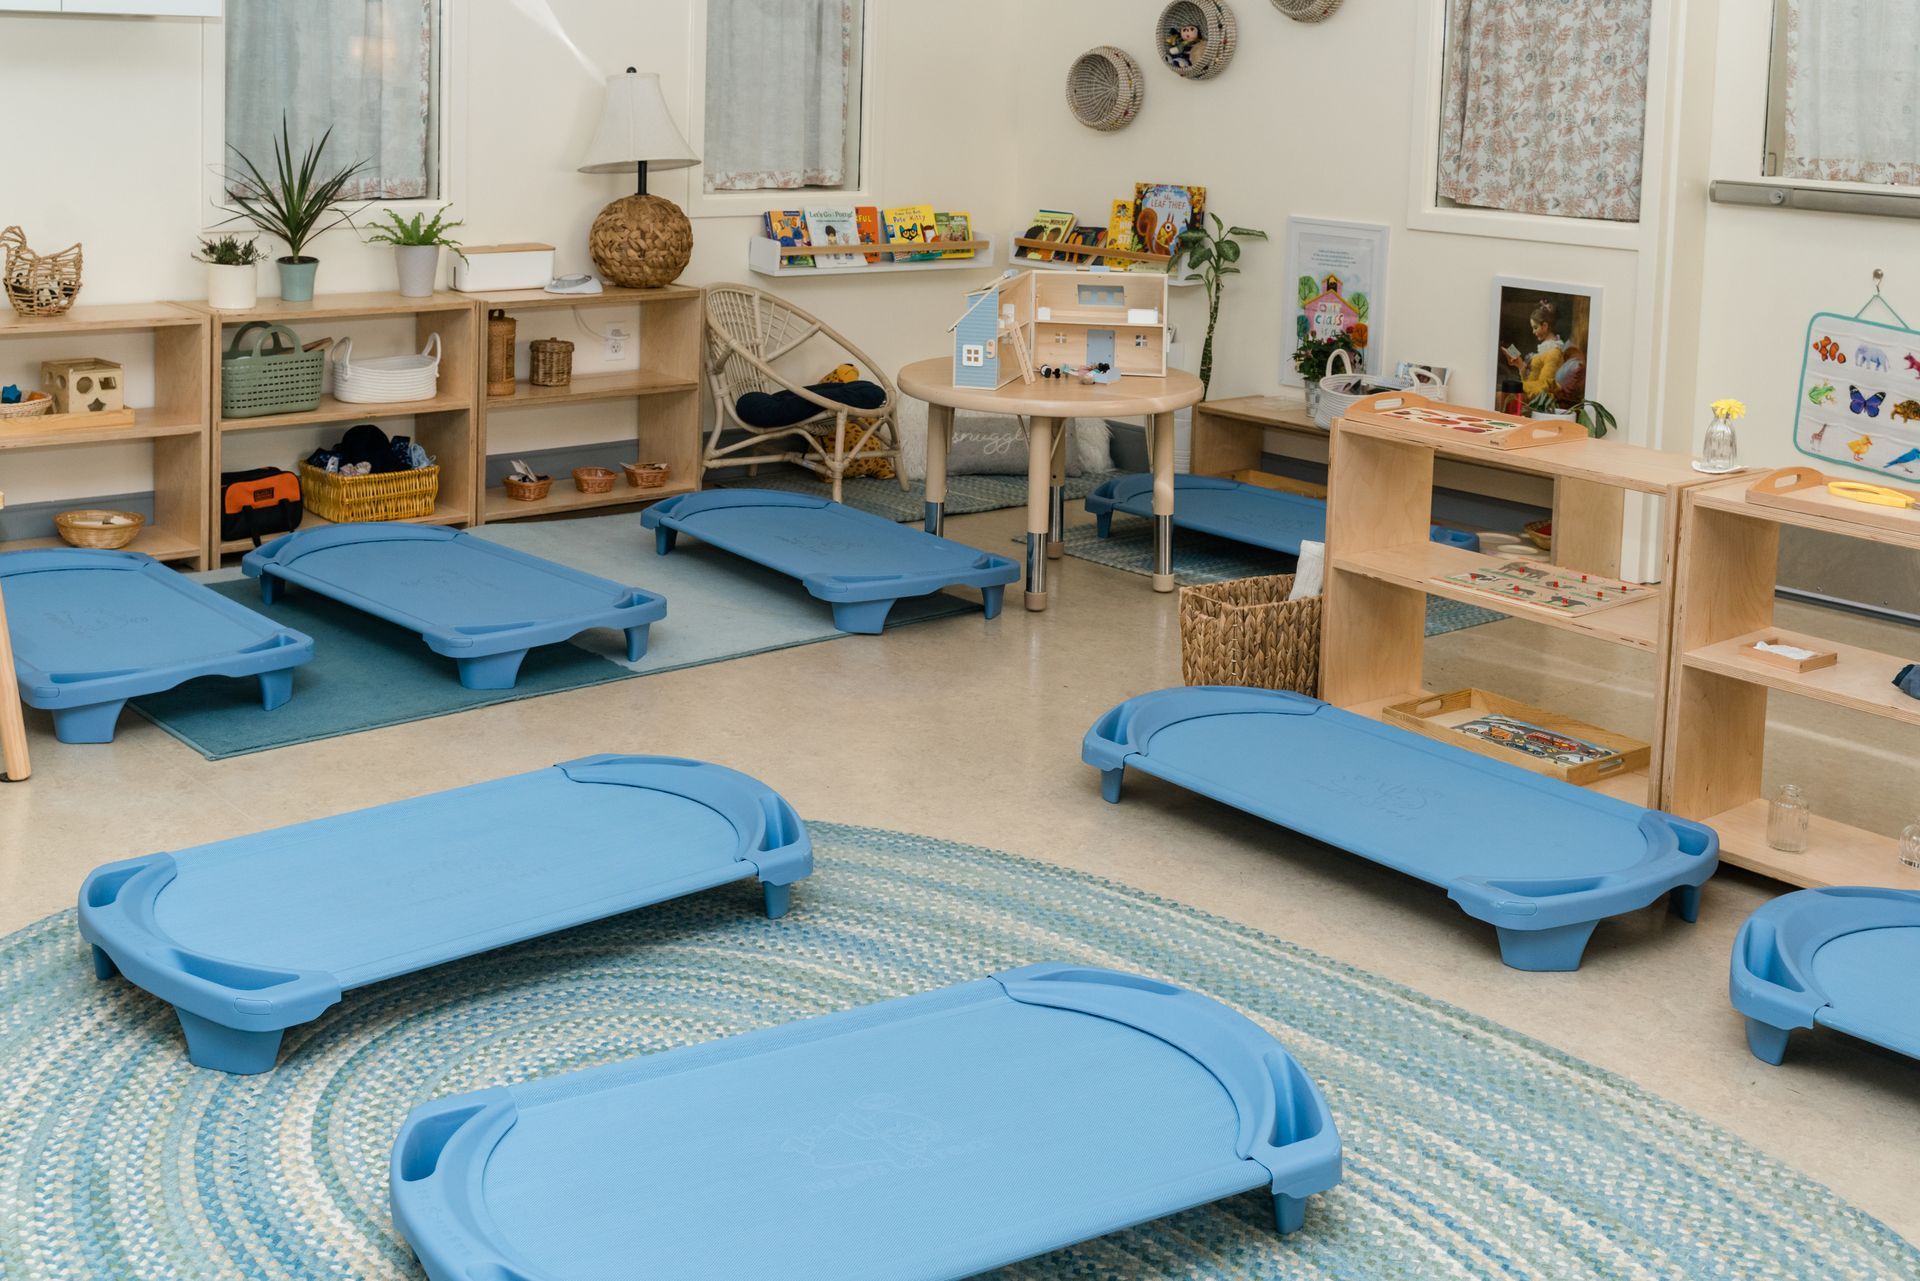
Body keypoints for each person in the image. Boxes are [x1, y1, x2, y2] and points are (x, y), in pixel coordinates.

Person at [1504, 300, 1566, 401]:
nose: (1533, 332)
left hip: (1540, 401)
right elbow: (1532, 381)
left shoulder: (1554, 352)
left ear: (1545, 326)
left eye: (1535, 327)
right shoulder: (1545, 349)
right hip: (1531, 395)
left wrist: (1517, 387)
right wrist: (1520, 365)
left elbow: (1543, 387)